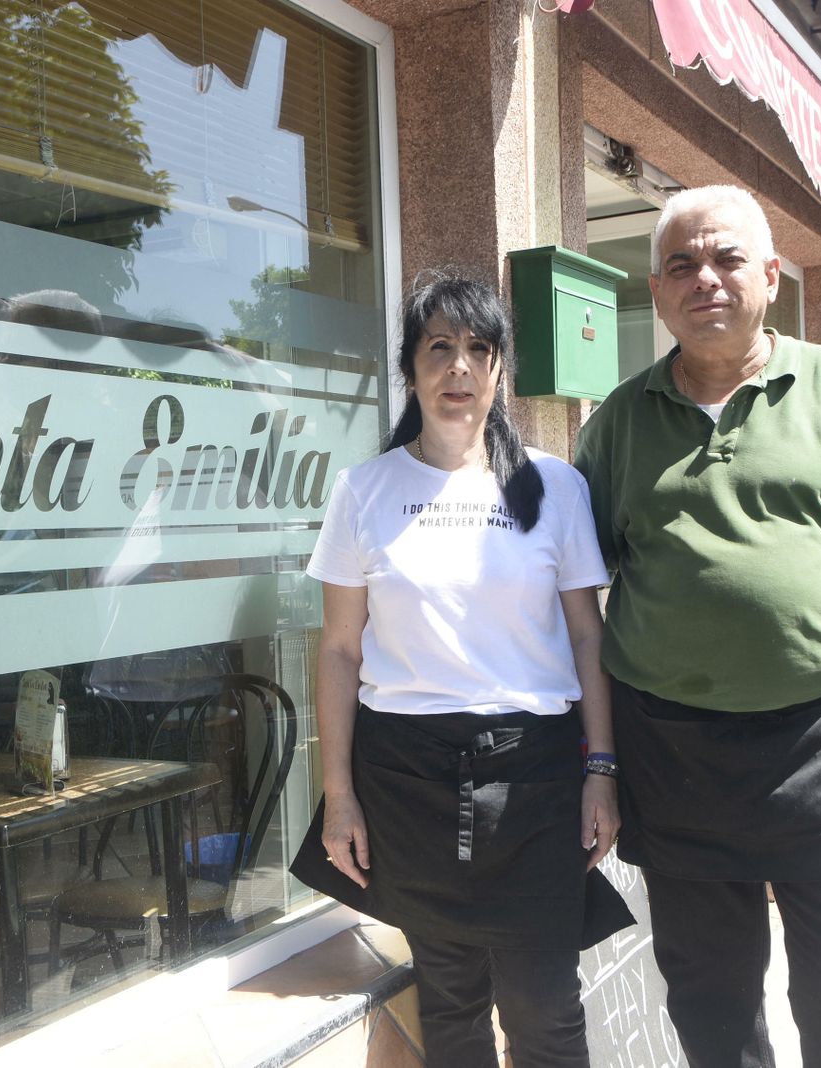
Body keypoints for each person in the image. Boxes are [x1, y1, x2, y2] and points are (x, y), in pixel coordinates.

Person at [572, 185, 821, 1068]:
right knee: (712, 1007)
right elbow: (573, 597)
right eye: (681, 266)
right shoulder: (618, 426)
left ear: (770, 277)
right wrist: (595, 761)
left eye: (726, 258)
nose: (704, 278)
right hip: (672, 754)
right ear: (657, 293)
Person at [289, 274, 633, 1068]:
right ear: (410, 367)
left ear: (501, 369)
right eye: (438, 348)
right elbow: (340, 649)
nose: (460, 369)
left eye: (479, 349)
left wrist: (603, 772)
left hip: (536, 778)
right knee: (449, 1006)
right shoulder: (364, 491)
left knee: (545, 1011)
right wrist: (339, 794)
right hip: (406, 780)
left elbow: (589, 637)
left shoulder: (554, 486)